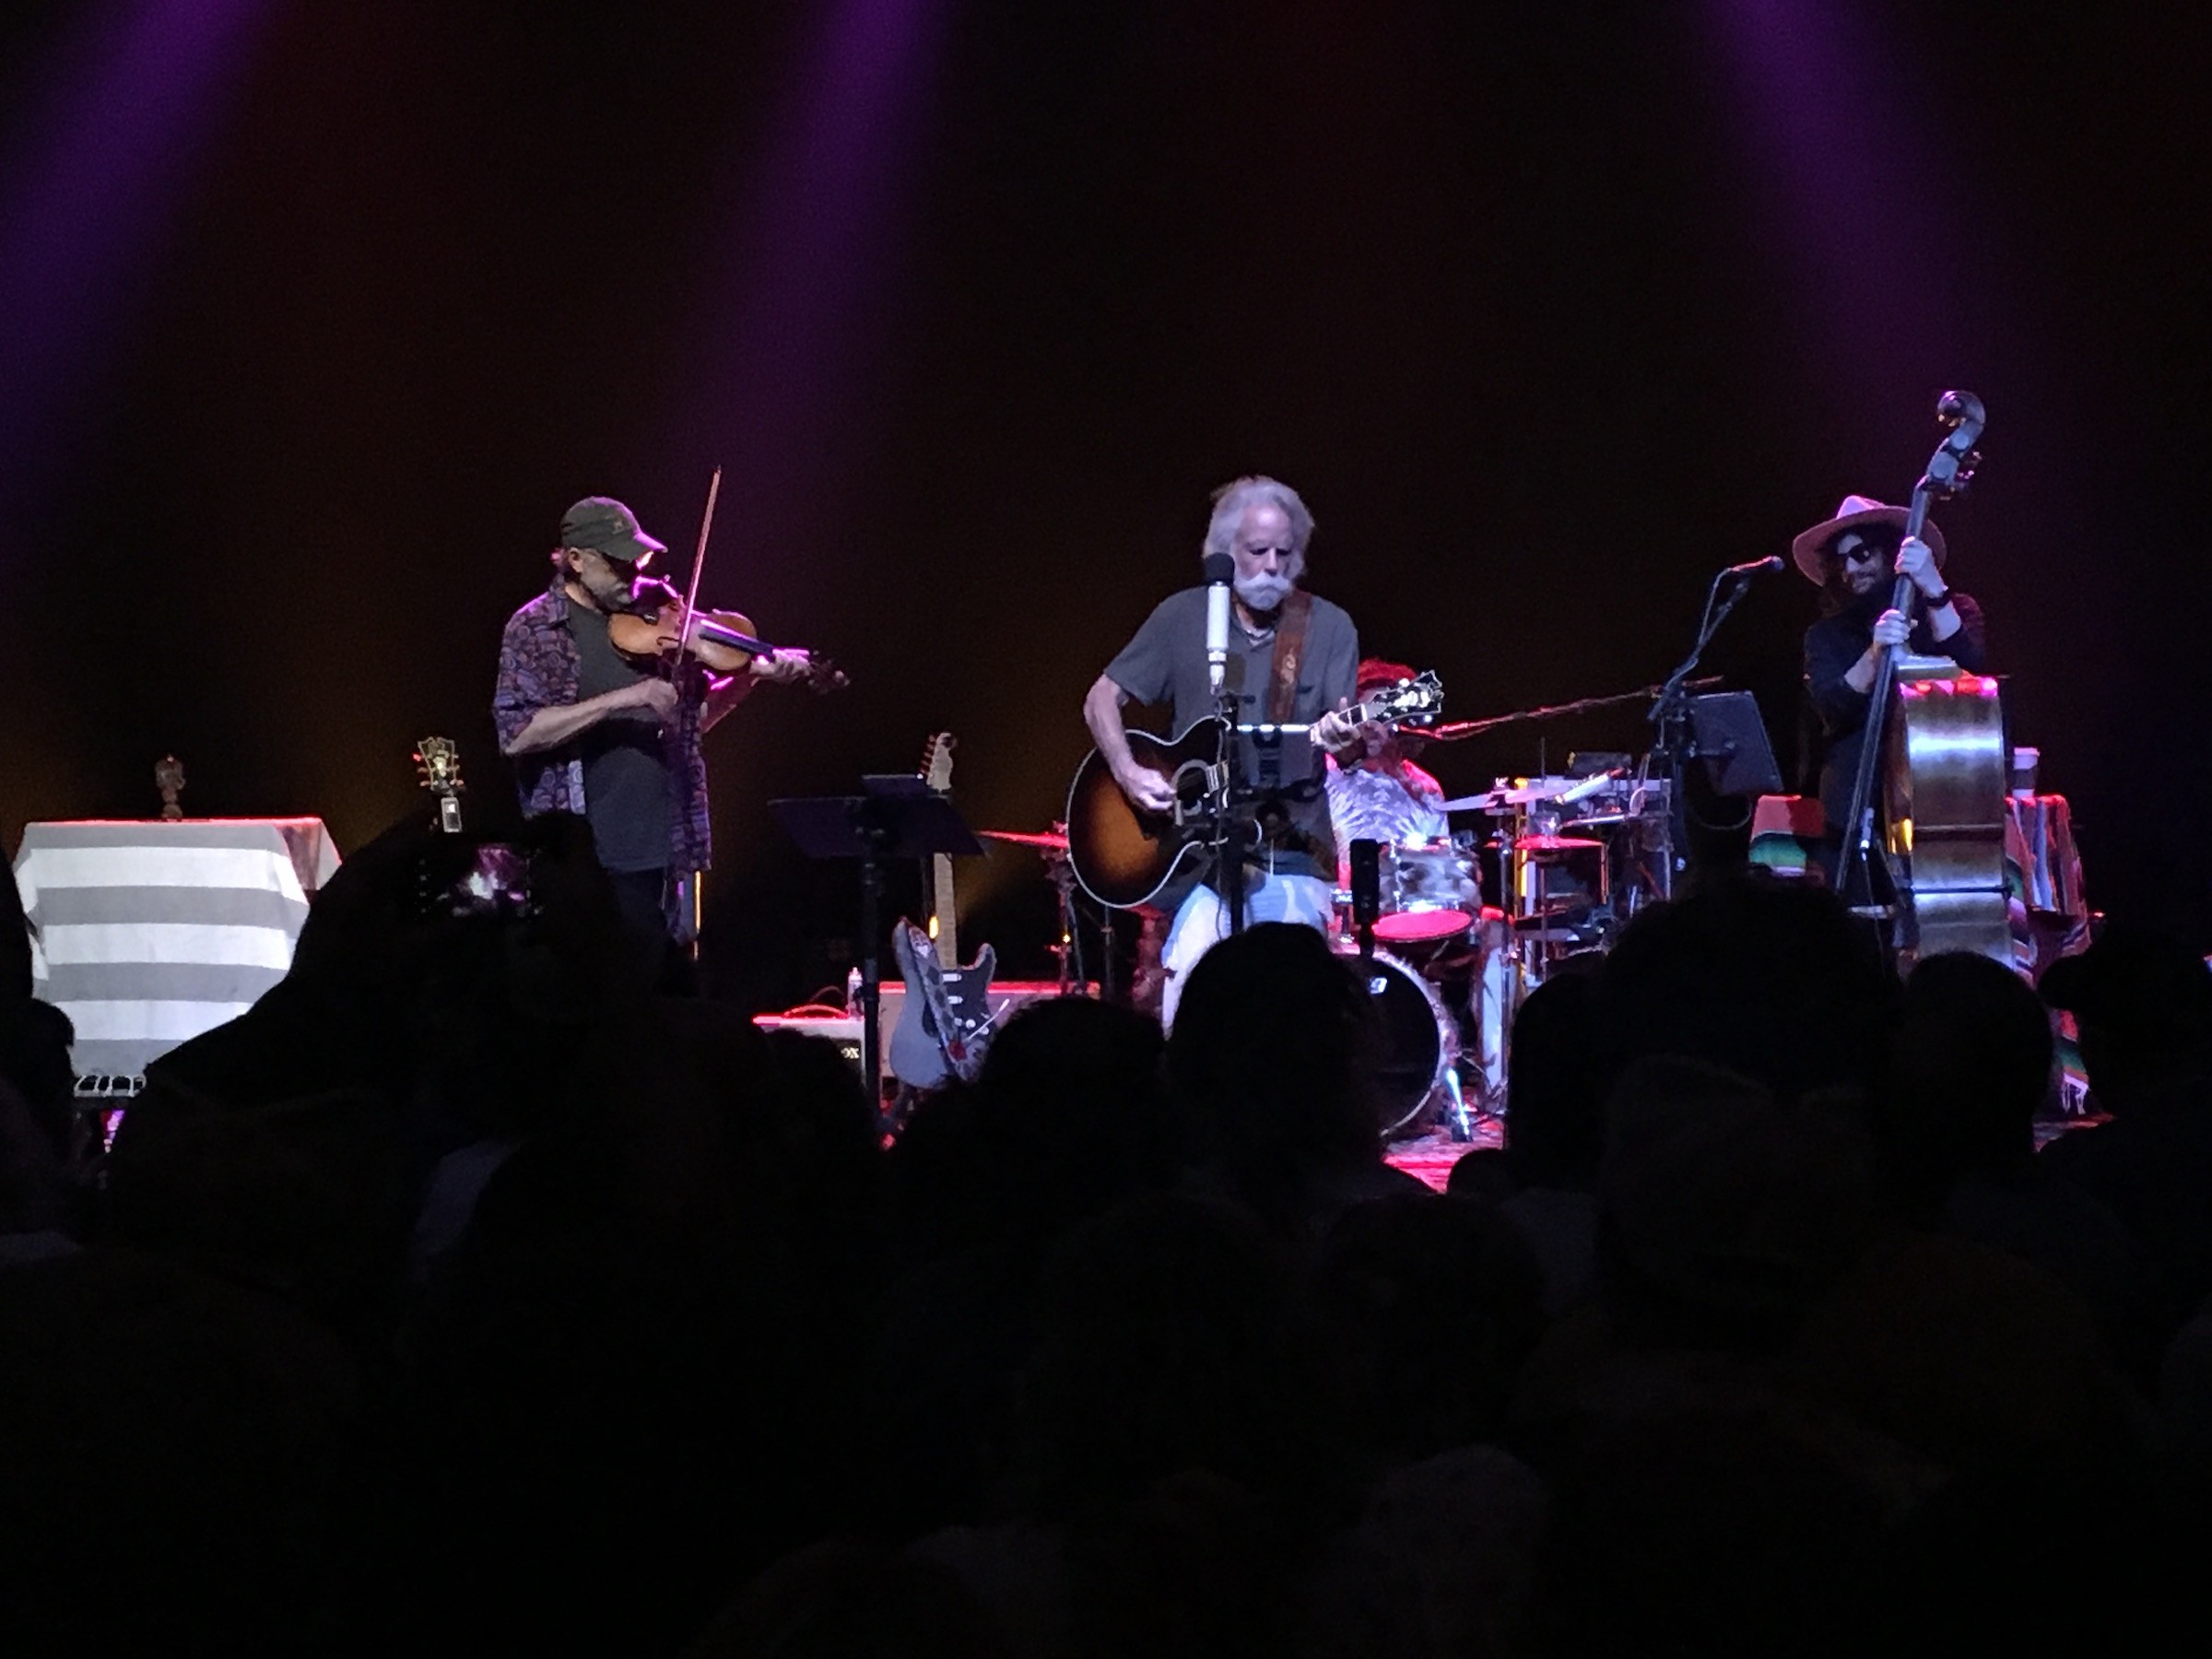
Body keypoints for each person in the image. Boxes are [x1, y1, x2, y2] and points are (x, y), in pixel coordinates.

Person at [1082, 477, 1361, 1027]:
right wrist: (1128, 771)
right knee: (1191, 996)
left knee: (1294, 1006)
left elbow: (1346, 742)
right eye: (1257, 552)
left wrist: (1346, 738)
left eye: (1285, 553)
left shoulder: (1328, 626)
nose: (1273, 565)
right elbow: (1100, 700)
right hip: (1197, 854)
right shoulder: (1181, 617)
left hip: (1291, 845)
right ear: (1224, 552)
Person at [493, 495, 813, 963]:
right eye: (619, 564)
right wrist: (627, 697)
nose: (634, 576)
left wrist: (746, 680)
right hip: (584, 856)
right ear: (576, 560)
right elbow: (517, 733)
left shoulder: (661, 621)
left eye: (638, 562)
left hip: (667, 850)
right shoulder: (535, 629)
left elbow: (692, 725)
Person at [1796, 493, 1987, 858]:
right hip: (1854, 806)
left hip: (1943, 795)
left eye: (1862, 554)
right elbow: (1831, 708)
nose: (1850, 569)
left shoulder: (1957, 609)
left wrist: (1933, 588)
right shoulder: (1827, 635)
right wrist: (1874, 653)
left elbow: (1972, 678)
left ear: (1891, 551)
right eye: (1841, 561)